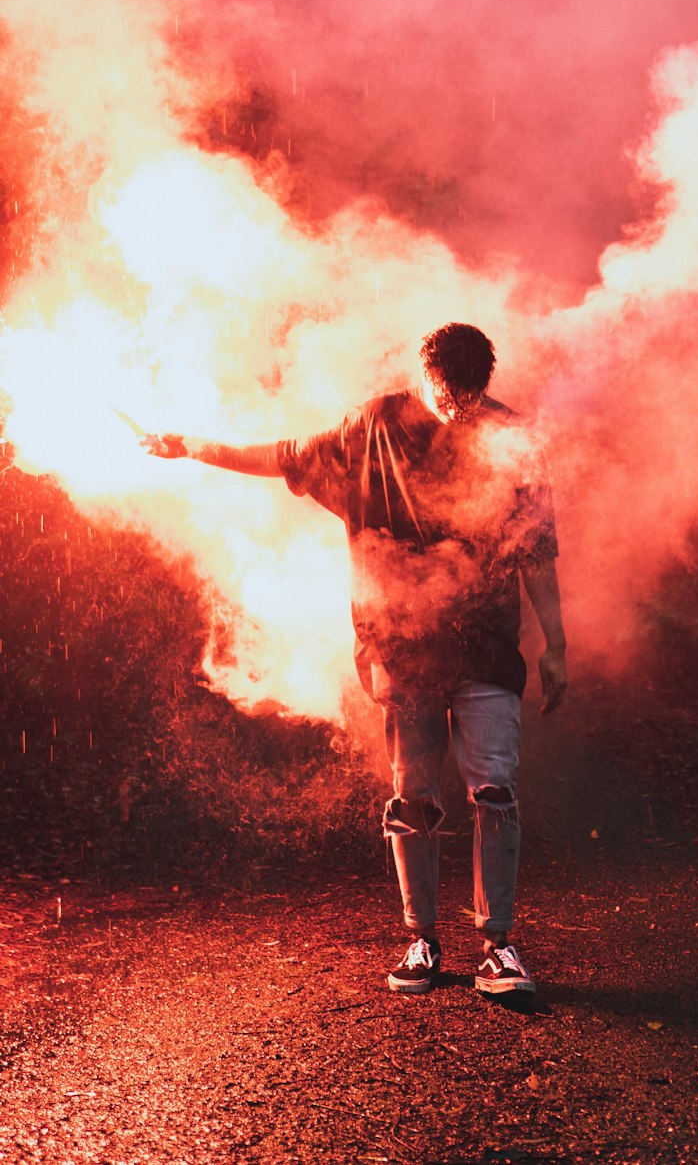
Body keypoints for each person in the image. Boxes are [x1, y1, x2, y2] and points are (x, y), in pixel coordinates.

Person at [143, 322, 568, 999]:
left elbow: (536, 548)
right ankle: (423, 939)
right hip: (402, 644)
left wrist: (558, 645)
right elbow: (285, 454)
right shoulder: (375, 426)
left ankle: (500, 947)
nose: (455, 408)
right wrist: (189, 447)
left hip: (487, 645)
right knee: (412, 800)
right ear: (424, 376)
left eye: (469, 396)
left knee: (495, 793)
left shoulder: (512, 439)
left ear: (486, 383)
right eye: (445, 394)